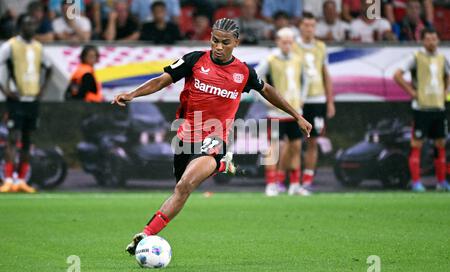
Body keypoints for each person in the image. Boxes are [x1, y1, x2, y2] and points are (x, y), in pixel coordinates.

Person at [111, 18, 312, 254]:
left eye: (225, 42)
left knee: (186, 184)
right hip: (186, 137)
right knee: (180, 188)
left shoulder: (244, 72)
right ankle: (220, 165)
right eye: (215, 40)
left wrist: (297, 116)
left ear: (236, 42)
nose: (218, 47)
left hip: (215, 139)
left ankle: (145, 235)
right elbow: (162, 80)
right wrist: (133, 94)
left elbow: (267, 90)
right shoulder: (194, 60)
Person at [0, 15, 52, 193]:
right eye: (27, 24)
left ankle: (21, 180)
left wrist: (42, 89)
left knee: (28, 140)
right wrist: (5, 90)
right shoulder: (10, 45)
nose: (31, 27)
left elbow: (49, 67)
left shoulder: (38, 47)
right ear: (20, 26)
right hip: (16, 99)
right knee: (12, 138)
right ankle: (8, 179)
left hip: (32, 99)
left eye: (33, 24)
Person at [393, 28, 450, 192]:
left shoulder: (442, 58)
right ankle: (417, 182)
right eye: (428, 39)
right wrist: (411, 92)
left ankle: (441, 182)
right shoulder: (416, 57)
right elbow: (397, 75)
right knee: (417, 144)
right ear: (423, 41)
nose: (432, 42)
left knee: (440, 144)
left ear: (438, 40)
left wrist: (446, 91)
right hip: (421, 108)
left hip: (438, 107)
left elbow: (448, 75)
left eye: (434, 39)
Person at [256, 27, 310, 197]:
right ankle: (271, 184)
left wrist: (302, 99)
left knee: (295, 147)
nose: (287, 45)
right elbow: (255, 80)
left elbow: (305, 81)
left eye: (290, 42)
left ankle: (294, 184)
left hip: (294, 113)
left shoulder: (298, 59)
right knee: (273, 149)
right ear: (278, 42)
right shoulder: (270, 60)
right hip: (276, 114)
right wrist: (266, 102)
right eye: (284, 42)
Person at [294, 12, 335, 189]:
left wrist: (330, 101)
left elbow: (326, 74)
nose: (309, 29)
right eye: (306, 25)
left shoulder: (321, 47)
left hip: (317, 100)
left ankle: (307, 181)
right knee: (293, 142)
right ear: (300, 27)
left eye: (312, 25)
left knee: (313, 141)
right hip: (297, 101)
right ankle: (292, 180)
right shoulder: (293, 46)